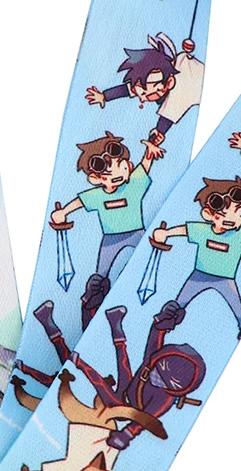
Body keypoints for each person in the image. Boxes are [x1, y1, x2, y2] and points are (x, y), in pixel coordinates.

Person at [50, 132, 163, 328]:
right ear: (95, 178)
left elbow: (145, 166)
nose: (118, 171)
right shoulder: (97, 195)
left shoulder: (134, 185)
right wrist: (63, 212)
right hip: (110, 239)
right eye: (108, 170)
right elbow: (79, 202)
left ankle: (131, 308)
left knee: (141, 267)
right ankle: (93, 306)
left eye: (121, 164)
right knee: (100, 277)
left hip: (136, 234)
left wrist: (149, 152)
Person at [150, 177, 241, 338]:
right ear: (208, 214)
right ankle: (167, 319)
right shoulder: (203, 230)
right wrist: (166, 233)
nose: (230, 218)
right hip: (199, 275)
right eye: (222, 214)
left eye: (238, 213)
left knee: (236, 306)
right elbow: (185, 230)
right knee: (180, 302)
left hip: (225, 279)